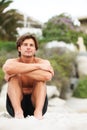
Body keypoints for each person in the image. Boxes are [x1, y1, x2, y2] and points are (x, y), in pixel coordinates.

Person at [3, 33, 54, 119]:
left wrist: (18, 70)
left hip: (37, 104)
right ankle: (18, 112)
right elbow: (7, 67)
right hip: (16, 105)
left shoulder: (43, 62)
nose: (28, 47)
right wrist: (38, 67)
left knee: (40, 80)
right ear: (19, 48)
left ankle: (38, 113)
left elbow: (47, 76)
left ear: (35, 49)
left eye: (31, 45)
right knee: (14, 78)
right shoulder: (12, 61)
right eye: (25, 45)